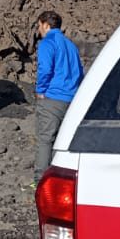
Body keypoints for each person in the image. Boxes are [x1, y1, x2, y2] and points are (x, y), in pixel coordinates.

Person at [33, 10, 83, 184]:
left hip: (53, 98)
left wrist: (40, 90)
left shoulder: (47, 43)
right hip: (71, 99)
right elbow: (79, 72)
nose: (39, 30)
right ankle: (59, 181)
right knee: (62, 143)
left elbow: (45, 69)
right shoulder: (70, 45)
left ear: (46, 25)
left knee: (45, 140)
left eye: (39, 26)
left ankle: (40, 181)